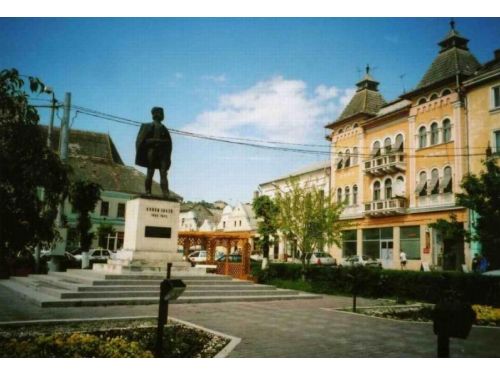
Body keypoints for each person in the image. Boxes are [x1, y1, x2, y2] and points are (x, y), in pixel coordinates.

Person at [135, 107, 172, 197]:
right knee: (150, 172)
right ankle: (148, 191)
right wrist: (155, 141)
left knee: (163, 173)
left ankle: (165, 193)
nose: (162, 115)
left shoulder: (164, 128)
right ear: (155, 115)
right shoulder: (147, 126)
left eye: (162, 113)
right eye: (160, 113)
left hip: (162, 154)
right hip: (151, 152)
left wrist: (167, 157)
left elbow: (168, 143)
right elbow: (141, 141)